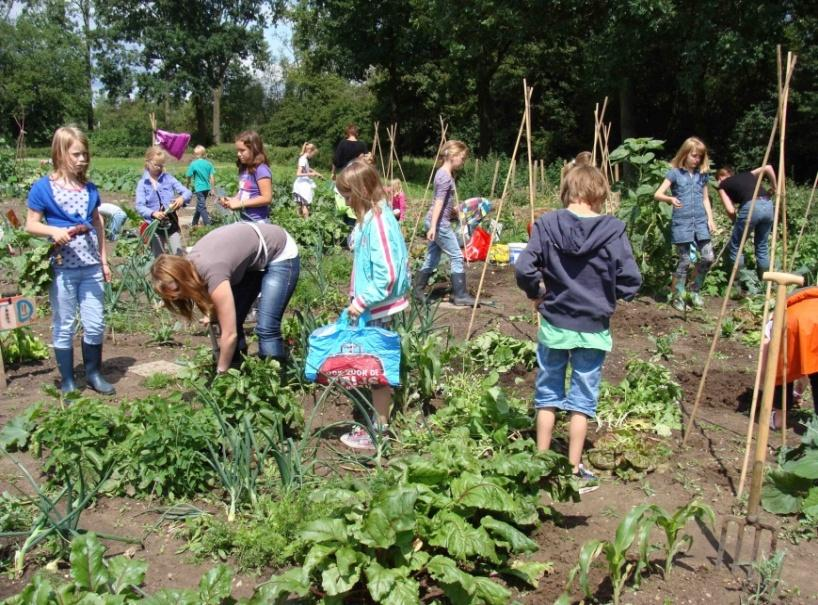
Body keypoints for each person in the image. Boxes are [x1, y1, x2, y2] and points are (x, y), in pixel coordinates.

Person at [515, 165, 642, 492]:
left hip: (555, 322)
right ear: (598, 194)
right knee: (582, 398)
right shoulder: (612, 230)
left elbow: (524, 268)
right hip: (593, 326)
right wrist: (612, 293)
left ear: (568, 191)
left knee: (547, 394)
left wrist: (537, 292)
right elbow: (630, 278)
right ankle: (573, 468)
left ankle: (540, 464)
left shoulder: (547, 224)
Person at [25, 126, 115, 395]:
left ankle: (93, 374)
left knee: (95, 323)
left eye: (85, 154)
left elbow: (97, 223)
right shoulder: (43, 188)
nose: (82, 160)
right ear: (60, 153)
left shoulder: (89, 188)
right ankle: (67, 381)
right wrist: (54, 231)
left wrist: (104, 259)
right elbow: (31, 225)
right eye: (76, 154)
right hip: (63, 268)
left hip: (90, 268)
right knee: (64, 323)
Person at [151, 221, 300, 371]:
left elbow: (230, 334)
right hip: (249, 260)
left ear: (182, 276)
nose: (178, 297)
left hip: (279, 250)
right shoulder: (193, 268)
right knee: (229, 321)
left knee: (266, 328)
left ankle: (275, 382)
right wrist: (213, 314)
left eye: (177, 290)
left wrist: (220, 372)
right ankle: (237, 373)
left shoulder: (212, 271)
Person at [334, 160, 410, 450]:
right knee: (373, 367)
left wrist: (362, 301)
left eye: (347, 195)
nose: (345, 201)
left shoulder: (379, 222)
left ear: (361, 191)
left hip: (377, 307)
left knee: (377, 371)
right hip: (373, 307)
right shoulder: (371, 217)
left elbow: (388, 275)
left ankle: (378, 431)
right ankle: (379, 423)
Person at [654, 137, 716, 311]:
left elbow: (705, 198)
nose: (697, 160)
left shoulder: (702, 175)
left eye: (699, 157)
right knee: (685, 260)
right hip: (682, 223)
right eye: (694, 156)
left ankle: (694, 290)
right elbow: (657, 194)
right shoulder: (674, 173)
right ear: (685, 154)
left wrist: (710, 219)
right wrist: (670, 198)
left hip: (701, 223)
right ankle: (678, 296)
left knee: (708, 257)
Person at [413, 140, 475, 305]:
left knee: (432, 258)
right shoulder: (445, 177)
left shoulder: (443, 173)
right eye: (462, 158)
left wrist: (453, 211)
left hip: (438, 221)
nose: (463, 162)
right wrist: (433, 226)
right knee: (456, 256)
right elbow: (439, 202)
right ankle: (460, 294)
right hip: (440, 225)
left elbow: (443, 201)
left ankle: (417, 292)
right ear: (453, 156)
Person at [759, 286, 818, 430]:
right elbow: (806, 365)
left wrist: (762, 389)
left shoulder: (778, 316)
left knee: (780, 368)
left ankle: (779, 419)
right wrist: (797, 393)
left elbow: (767, 364)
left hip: (791, 326)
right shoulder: (813, 301)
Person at [716, 165, 776, 290]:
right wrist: (774, 188)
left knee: (736, 247)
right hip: (768, 205)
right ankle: (765, 285)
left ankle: (740, 286)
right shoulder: (748, 174)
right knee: (762, 246)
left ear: (721, 177)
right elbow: (768, 167)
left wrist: (735, 221)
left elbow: (730, 209)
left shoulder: (722, 185)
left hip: (751, 206)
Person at [135, 145, 191, 257]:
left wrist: (181, 198)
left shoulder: (168, 178)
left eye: (161, 165)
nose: (159, 168)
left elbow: (187, 192)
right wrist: (153, 213)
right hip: (154, 225)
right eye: (156, 165)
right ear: (148, 162)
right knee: (159, 258)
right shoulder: (143, 183)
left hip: (171, 222)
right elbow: (139, 206)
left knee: (178, 254)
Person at [219, 131, 273, 223]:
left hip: (257, 221)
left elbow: (267, 198)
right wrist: (233, 200)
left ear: (254, 149)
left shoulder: (261, 169)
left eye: (242, 150)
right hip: (244, 219)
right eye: (237, 150)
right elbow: (245, 192)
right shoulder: (244, 169)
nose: (238, 154)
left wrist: (240, 204)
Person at [186, 145, 216, 227]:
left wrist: (187, 185)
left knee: (201, 206)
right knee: (200, 204)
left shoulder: (193, 164)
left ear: (196, 154)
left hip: (199, 188)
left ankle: (208, 224)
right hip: (207, 188)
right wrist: (212, 189)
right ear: (203, 154)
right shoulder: (209, 164)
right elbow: (212, 177)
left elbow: (188, 176)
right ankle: (194, 223)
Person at [292, 142, 323, 218]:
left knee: (300, 205)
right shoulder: (303, 159)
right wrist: (311, 174)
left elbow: (306, 168)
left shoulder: (303, 158)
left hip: (300, 184)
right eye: (313, 154)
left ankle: (299, 221)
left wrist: (315, 172)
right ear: (309, 151)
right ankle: (307, 222)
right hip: (303, 185)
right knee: (305, 205)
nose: (313, 156)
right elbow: (298, 173)